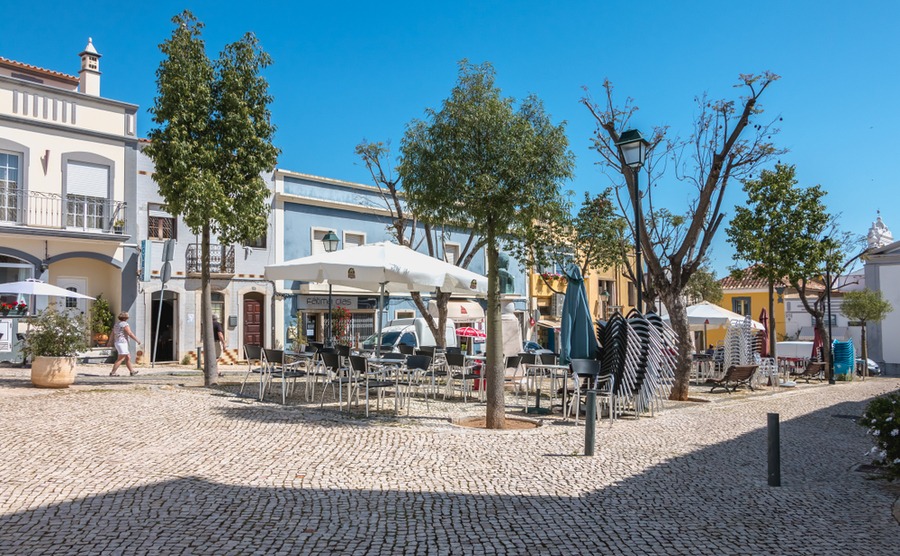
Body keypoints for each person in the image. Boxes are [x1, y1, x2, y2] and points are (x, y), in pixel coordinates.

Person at [109, 312, 141, 377]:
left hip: (117, 342)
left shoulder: (116, 324)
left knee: (127, 357)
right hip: (122, 342)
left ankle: (132, 371)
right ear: (126, 318)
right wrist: (137, 340)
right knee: (121, 358)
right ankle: (113, 372)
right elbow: (129, 333)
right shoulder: (125, 324)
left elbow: (112, 333)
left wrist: (110, 341)